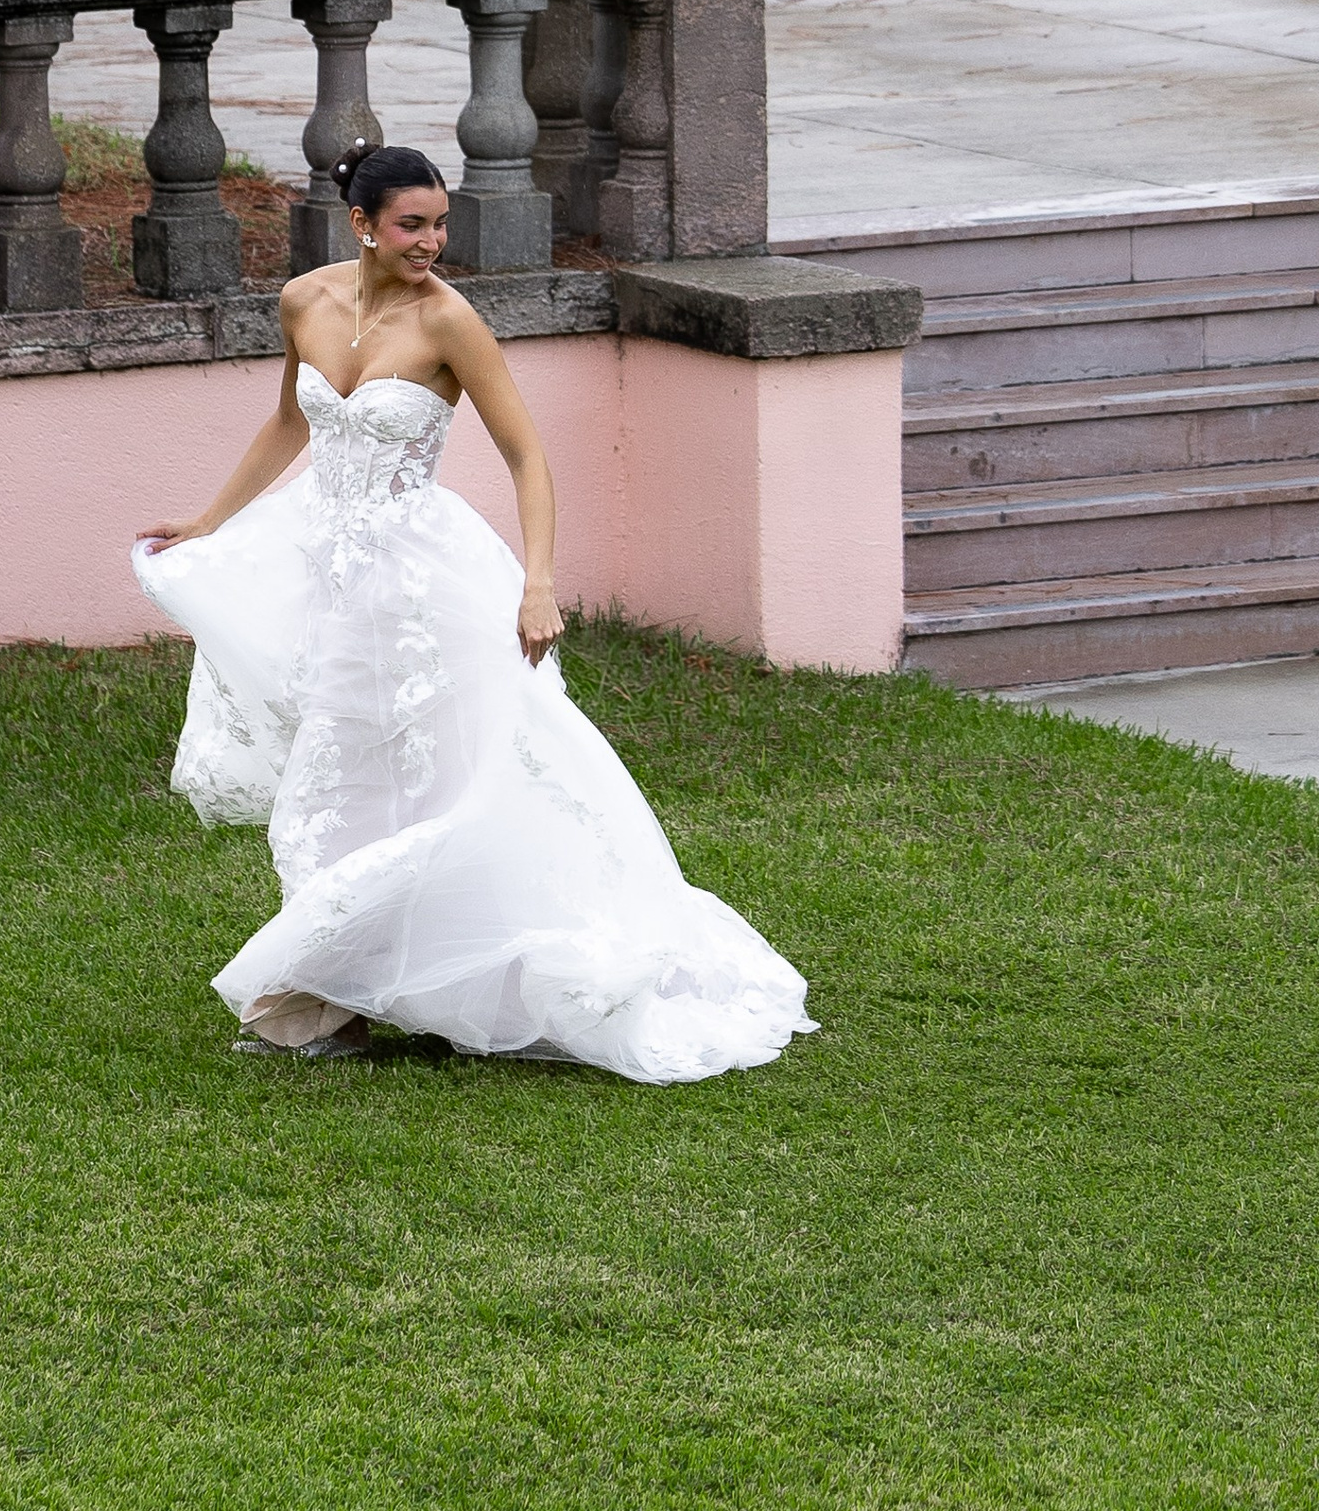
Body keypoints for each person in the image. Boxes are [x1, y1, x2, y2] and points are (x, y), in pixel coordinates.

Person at [134, 137, 813, 1081]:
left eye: (441, 223)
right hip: (332, 579)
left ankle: (466, 974)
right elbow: (291, 419)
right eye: (413, 225)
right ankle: (344, 991)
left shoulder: (450, 322)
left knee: (460, 778)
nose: (433, 242)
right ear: (362, 225)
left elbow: (528, 456)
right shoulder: (304, 301)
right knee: (344, 778)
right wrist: (209, 520)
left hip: (426, 585)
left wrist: (537, 582)